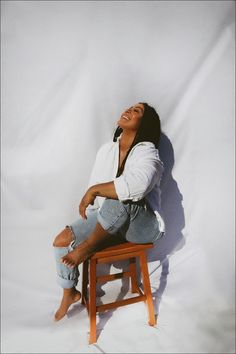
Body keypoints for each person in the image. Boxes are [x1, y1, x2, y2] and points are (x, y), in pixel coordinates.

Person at [53, 102, 165, 321]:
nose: (128, 111)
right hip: (113, 218)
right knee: (62, 239)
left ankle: (87, 248)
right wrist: (91, 220)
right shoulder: (107, 150)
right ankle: (69, 292)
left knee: (121, 194)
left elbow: (138, 186)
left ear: (145, 124)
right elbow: (98, 200)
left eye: (136, 111)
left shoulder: (149, 152)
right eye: (129, 107)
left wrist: (94, 190)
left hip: (144, 226)